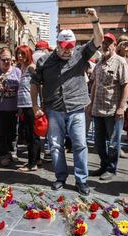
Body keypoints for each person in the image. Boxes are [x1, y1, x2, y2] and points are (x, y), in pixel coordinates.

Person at [31, 8, 103, 196]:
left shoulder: (80, 54)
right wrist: (35, 105)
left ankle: (81, 180)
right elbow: (35, 83)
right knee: (55, 146)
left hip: (77, 109)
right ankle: (60, 177)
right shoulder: (44, 61)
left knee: (80, 144)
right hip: (54, 110)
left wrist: (94, 20)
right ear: (57, 44)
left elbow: (99, 40)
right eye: (64, 46)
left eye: (70, 46)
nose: (67, 50)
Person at [88, 33, 128, 180]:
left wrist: (121, 107)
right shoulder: (99, 63)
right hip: (97, 110)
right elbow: (94, 85)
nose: (105, 45)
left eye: (109, 42)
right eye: (104, 42)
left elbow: (126, 85)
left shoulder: (120, 62)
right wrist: (90, 104)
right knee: (99, 143)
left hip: (113, 111)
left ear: (114, 45)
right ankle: (103, 166)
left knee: (113, 143)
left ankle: (111, 169)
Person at [0, 47, 21, 167]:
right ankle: (4, 154)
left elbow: (22, 89)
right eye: (4, 59)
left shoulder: (17, 71)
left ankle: (13, 151)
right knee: (1, 132)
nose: (6, 62)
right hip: (0, 108)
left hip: (14, 107)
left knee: (13, 131)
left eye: (9, 59)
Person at [15, 45, 41, 172]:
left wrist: (38, 105)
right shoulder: (22, 67)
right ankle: (36, 160)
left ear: (28, 55)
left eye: (23, 54)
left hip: (31, 105)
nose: (20, 56)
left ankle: (32, 163)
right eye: (18, 54)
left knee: (32, 135)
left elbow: (39, 84)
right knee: (31, 134)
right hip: (24, 105)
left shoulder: (31, 67)